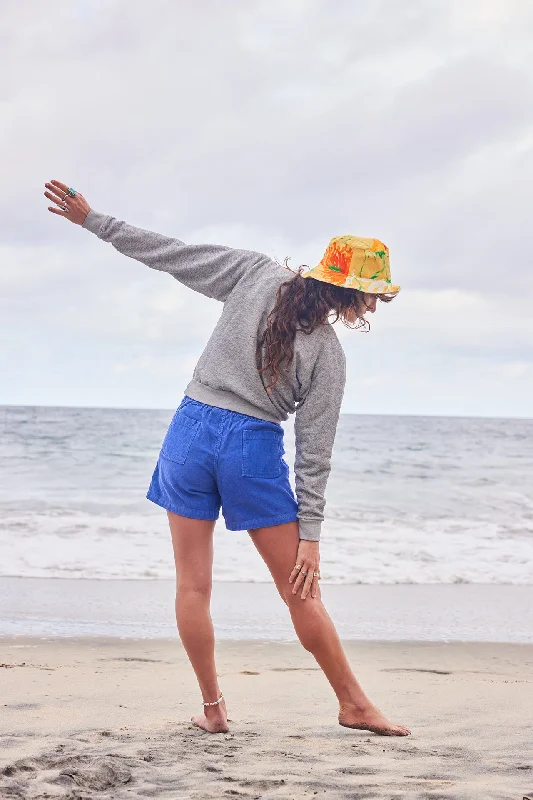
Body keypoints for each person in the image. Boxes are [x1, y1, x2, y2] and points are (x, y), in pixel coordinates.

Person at [44, 179, 410, 737]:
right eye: (373, 293)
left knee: (192, 586)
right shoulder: (328, 356)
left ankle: (213, 711)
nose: (374, 302)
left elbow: (169, 254)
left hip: (188, 434)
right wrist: (310, 536)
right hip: (250, 449)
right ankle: (353, 703)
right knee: (299, 588)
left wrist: (94, 220)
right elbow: (315, 455)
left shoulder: (254, 272)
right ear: (351, 291)